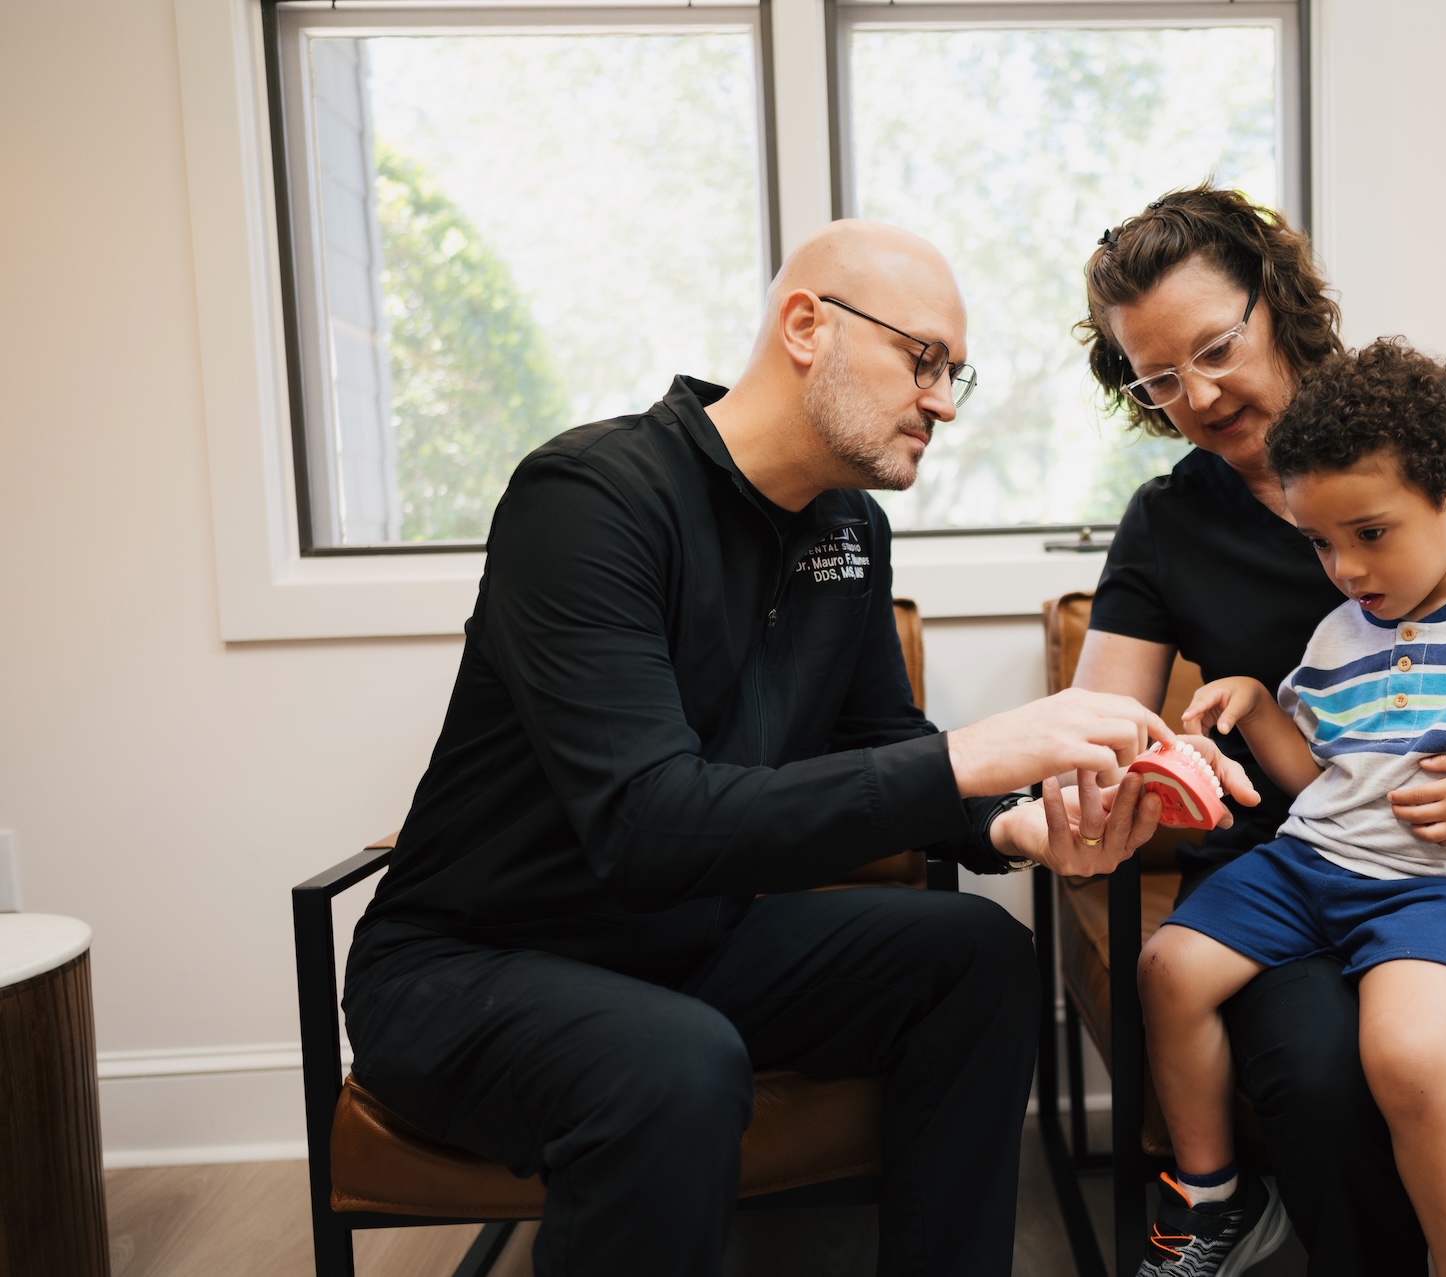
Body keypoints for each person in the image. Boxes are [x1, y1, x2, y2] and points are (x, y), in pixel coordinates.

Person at [340, 219, 1255, 1277]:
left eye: (958, 372)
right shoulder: (591, 500)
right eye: (923, 360)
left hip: (691, 942)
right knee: (675, 1063)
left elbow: (882, 743)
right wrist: (983, 751)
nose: (947, 402)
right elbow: (652, 824)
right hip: (479, 963)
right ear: (807, 326)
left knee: (976, 955)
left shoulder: (848, 529)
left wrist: (1023, 824)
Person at [1072, 185, 1446, 1275]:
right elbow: (1099, 726)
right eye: (1159, 377)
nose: (1200, 391)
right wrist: (1119, 773)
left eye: (1218, 346)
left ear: (1276, 302)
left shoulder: (1444, 454)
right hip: (1299, 860)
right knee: (1323, 1075)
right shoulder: (1167, 523)